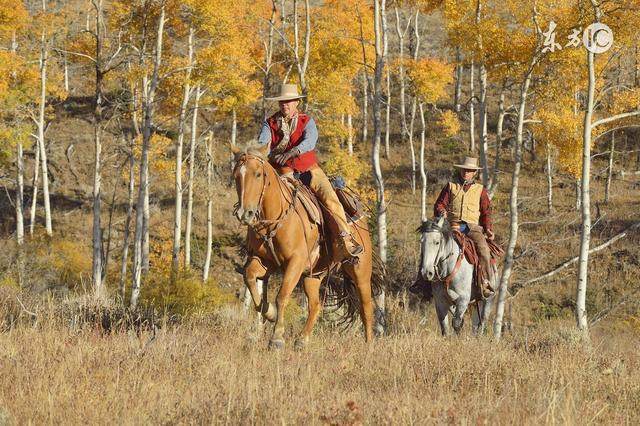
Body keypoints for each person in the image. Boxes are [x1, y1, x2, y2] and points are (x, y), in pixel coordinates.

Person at [257, 84, 363, 259]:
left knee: (331, 199)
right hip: (283, 172)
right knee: (259, 200)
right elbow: (263, 143)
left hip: (309, 170)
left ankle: (346, 240)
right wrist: (260, 153)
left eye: (289, 101)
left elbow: (310, 141)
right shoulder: (269, 123)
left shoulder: (307, 121)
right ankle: (255, 246)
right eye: (282, 101)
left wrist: (293, 151)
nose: (285, 104)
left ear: (296, 102)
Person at [433, 156, 495, 298]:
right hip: (452, 226)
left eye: (469, 170)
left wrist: (488, 228)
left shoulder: (481, 190)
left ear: (474, 172)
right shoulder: (450, 186)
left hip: (472, 228)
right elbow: (439, 204)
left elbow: (486, 212)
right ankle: (422, 282)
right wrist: (442, 211)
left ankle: (485, 282)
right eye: (464, 170)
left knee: (484, 250)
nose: (465, 173)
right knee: (431, 245)